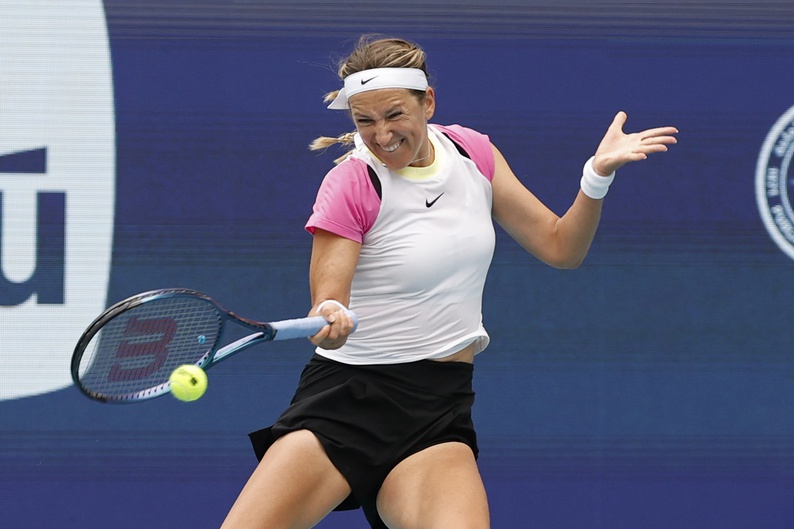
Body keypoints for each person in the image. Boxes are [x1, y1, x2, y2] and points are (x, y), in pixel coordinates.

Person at [220, 35, 678, 529]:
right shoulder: (352, 182)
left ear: (428, 102)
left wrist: (596, 176)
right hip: (346, 403)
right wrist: (329, 314)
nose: (382, 134)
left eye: (395, 114)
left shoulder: (471, 152)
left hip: (437, 410)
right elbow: (328, 301)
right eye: (364, 121)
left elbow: (560, 247)